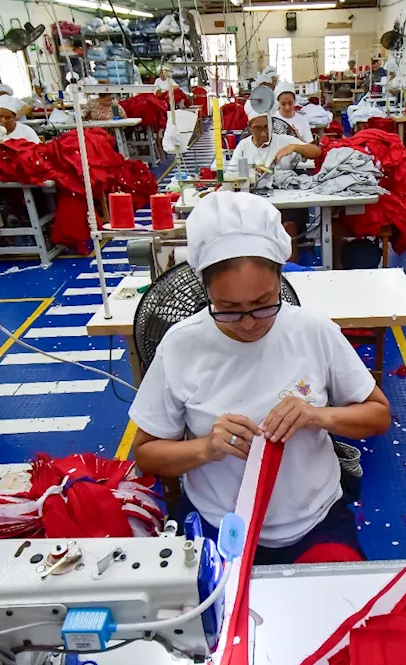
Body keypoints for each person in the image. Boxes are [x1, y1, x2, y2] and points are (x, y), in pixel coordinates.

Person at [128, 191, 390, 564]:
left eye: (264, 304)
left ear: (281, 275)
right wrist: (206, 448)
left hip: (314, 521)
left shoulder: (313, 331)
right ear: (205, 290)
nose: (249, 323)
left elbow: (378, 415)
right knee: (214, 617)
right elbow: (147, 455)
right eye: (229, 309)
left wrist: (319, 416)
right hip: (220, 524)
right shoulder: (182, 345)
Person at [230, 101, 323, 254]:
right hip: (255, 206)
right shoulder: (243, 147)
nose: (263, 133)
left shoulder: (283, 141)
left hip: (285, 207)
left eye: (267, 127)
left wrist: (294, 147)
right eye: (257, 129)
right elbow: (232, 176)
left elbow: (316, 152)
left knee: (288, 226)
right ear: (249, 128)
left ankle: (290, 271)